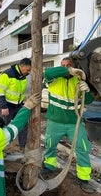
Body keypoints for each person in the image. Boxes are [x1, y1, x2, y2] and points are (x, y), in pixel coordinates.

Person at [42, 57, 95, 193]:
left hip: (74, 123)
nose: (66, 68)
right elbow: (47, 73)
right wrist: (68, 70)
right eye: (63, 65)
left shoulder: (79, 81)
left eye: (69, 65)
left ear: (74, 66)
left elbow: (88, 100)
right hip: (55, 122)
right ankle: (49, 166)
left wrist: (87, 90)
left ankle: (83, 178)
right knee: (50, 145)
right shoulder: (53, 80)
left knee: (82, 148)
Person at [0, 57, 31, 151]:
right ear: (21, 66)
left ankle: (23, 147)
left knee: (23, 125)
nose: (29, 72)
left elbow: (20, 93)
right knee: (1, 127)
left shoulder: (23, 77)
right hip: (6, 106)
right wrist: (4, 106)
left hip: (18, 106)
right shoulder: (6, 75)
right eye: (28, 69)